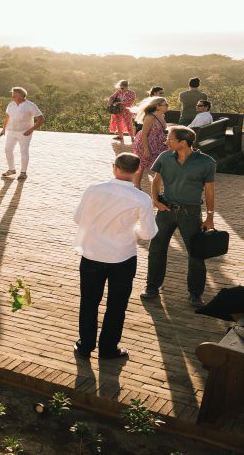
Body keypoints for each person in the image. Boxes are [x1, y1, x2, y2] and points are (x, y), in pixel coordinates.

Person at [72, 153, 158, 360]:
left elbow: (77, 218)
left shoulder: (94, 190)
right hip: (123, 256)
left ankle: (85, 346)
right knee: (117, 305)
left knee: (89, 302)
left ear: (114, 167)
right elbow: (148, 233)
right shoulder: (142, 199)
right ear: (138, 170)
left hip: (92, 254)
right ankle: (108, 349)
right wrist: (132, 233)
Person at [142, 126, 217, 309]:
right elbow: (157, 179)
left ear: (183, 142)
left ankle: (195, 294)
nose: (166, 142)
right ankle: (152, 288)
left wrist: (210, 217)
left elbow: (209, 191)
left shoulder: (207, 162)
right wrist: (155, 200)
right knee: (156, 249)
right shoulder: (165, 157)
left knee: (196, 254)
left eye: (170, 139)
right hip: (166, 211)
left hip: (190, 213)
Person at [0, 87, 44, 181]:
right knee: (8, 150)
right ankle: (11, 169)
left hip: (25, 133)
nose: (12, 97)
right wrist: (4, 129)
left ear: (21, 95)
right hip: (11, 132)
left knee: (23, 151)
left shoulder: (30, 105)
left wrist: (31, 130)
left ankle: (23, 173)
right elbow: (7, 117)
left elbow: (41, 119)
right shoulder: (11, 104)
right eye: (12, 95)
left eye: (14, 95)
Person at [132, 97, 169, 190]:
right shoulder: (150, 117)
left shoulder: (162, 116)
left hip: (158, 145)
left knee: (160, 166)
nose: (167, 106)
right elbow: (144, 134)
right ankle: (137, 187)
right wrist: (146, 150)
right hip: (146, 143)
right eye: (166, 105)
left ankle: (158, 188)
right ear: (158, 106)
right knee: (141, 166)